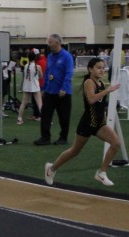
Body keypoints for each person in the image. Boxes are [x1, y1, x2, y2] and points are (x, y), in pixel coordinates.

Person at [43, 58, 121, 187]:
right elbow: (92, 99)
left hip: (99, 124)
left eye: (103, 68)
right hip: (87, 123)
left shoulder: (101, 84)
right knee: (74, 151)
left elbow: (100, 105)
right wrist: (108, 90)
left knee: (116, 143)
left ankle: (101, 173)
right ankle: (51, 168)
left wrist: (104, 115)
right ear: (90, 69)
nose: (102, 70)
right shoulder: (89, 82)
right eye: (98, 67)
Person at [34, 34, 74, 146]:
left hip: (63, 93)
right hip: (50, 92)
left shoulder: (67, 56)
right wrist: (44, 88)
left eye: (50, 42)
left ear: (57, 43)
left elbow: (69, 73)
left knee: (63, 117)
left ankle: (63, 138)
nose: (48, 44)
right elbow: (47, 73)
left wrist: (64, 88)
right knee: (45, 115)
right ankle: (45, 137)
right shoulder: (50, 56)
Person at [17, 48, 43, 124]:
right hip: (35, 86)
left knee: (23, 103)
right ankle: (46, 119)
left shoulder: (26, 66)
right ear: (35, 57)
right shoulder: (38, 66)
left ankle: (19, 119)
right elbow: (41, 76)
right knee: (40, 103)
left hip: (27, 86)